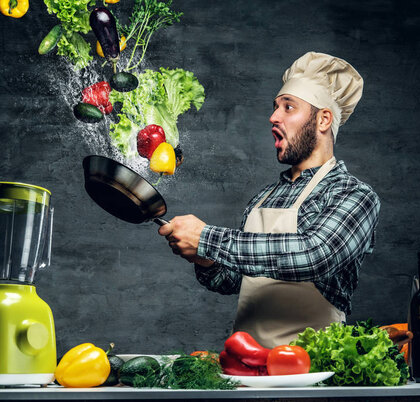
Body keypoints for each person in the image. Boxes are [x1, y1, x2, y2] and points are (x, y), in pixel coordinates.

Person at [158, 52, 380, 348]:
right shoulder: (264, 197)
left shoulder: (354, 195)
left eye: (288, 107)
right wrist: (204, 257)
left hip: (313, 371)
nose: (274, 117)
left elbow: (314, 255)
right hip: (245, 366)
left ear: (324, 119)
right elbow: (234, 281)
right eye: (275, 107)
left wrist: (207, 238)